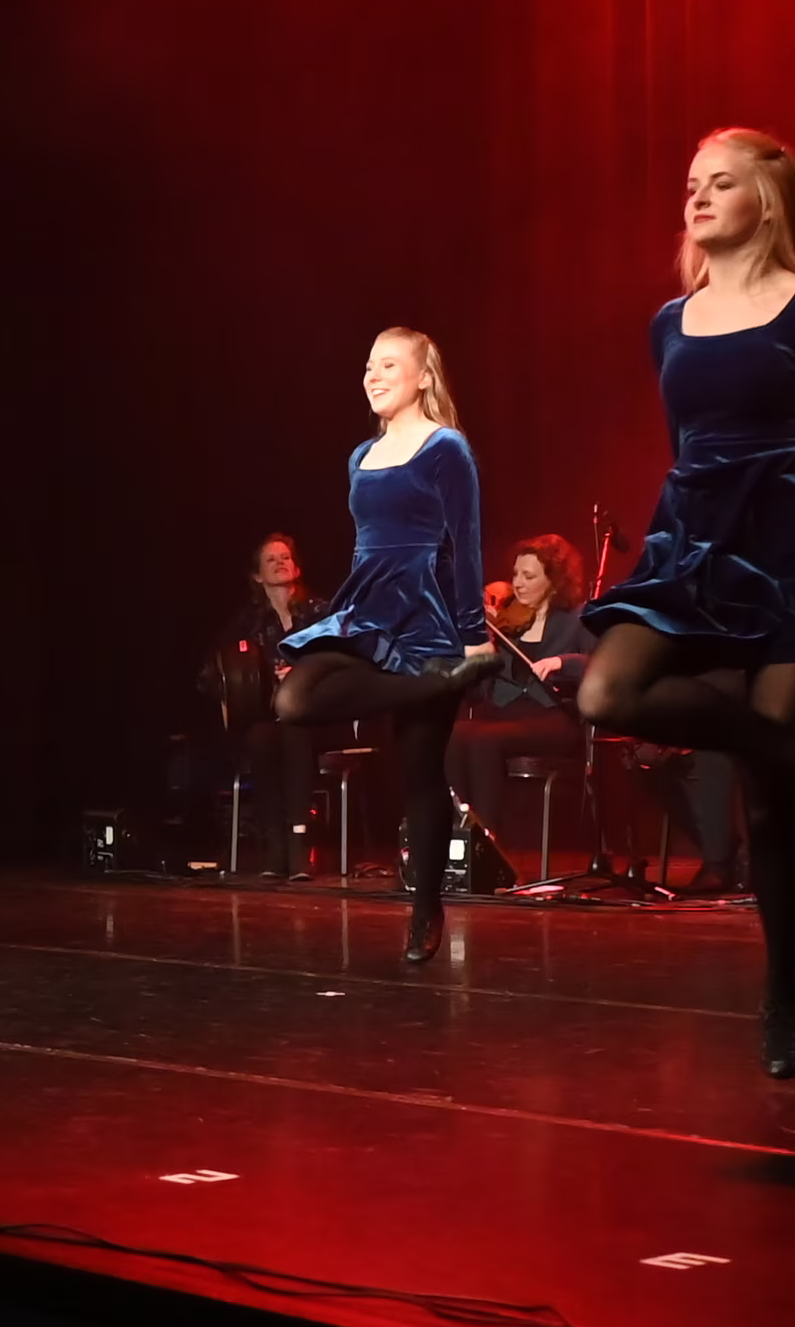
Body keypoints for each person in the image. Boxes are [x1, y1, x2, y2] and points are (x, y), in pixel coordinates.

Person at [573, 129, 795, 1078]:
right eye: (691, 183)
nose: (695, 197)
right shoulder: (669, 322)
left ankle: (780, 986)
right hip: (694, 546)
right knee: (606, 692)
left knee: (767, 800)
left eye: (720, 183)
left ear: (766, 202)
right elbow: (688, 448)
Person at [270, 328, 491, 965]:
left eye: (388, 365)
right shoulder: (360, 456)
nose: (373, 375)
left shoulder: (446, 447)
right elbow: (367, 545)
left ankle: (426, 908)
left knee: (419, 771)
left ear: (422, 377)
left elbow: (466, 543)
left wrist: (474, 638)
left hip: (427, 619)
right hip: (367, 611)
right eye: (369, 365)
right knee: (295, 698)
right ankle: (434, 683)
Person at [452, 533, 601, 876]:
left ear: (553, 582)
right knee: (456, 734)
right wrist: (479, 652)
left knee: (485, 740)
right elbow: (478, 691)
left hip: (553, 717)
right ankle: (458, 838)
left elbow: (598, 665)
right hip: (504, 714)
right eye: (516, 574)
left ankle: (490, 849)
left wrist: (562, 662)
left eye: (529, 576)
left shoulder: (577, 619)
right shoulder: (507, 622)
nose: (517, 583)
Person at [197, 533, 332, 872]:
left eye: (285, 557)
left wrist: (303, 673)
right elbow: (211, 673)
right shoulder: (247, 623)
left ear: (297, 568)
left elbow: (345, 659)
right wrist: (239, 686)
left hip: (319, 715)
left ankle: (299, 842)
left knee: (295, 731)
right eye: (271, 560)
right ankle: (275, 844)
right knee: (261, 737)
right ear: (257, 576)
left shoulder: (321, 613)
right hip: (270, 717)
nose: (280, 563)